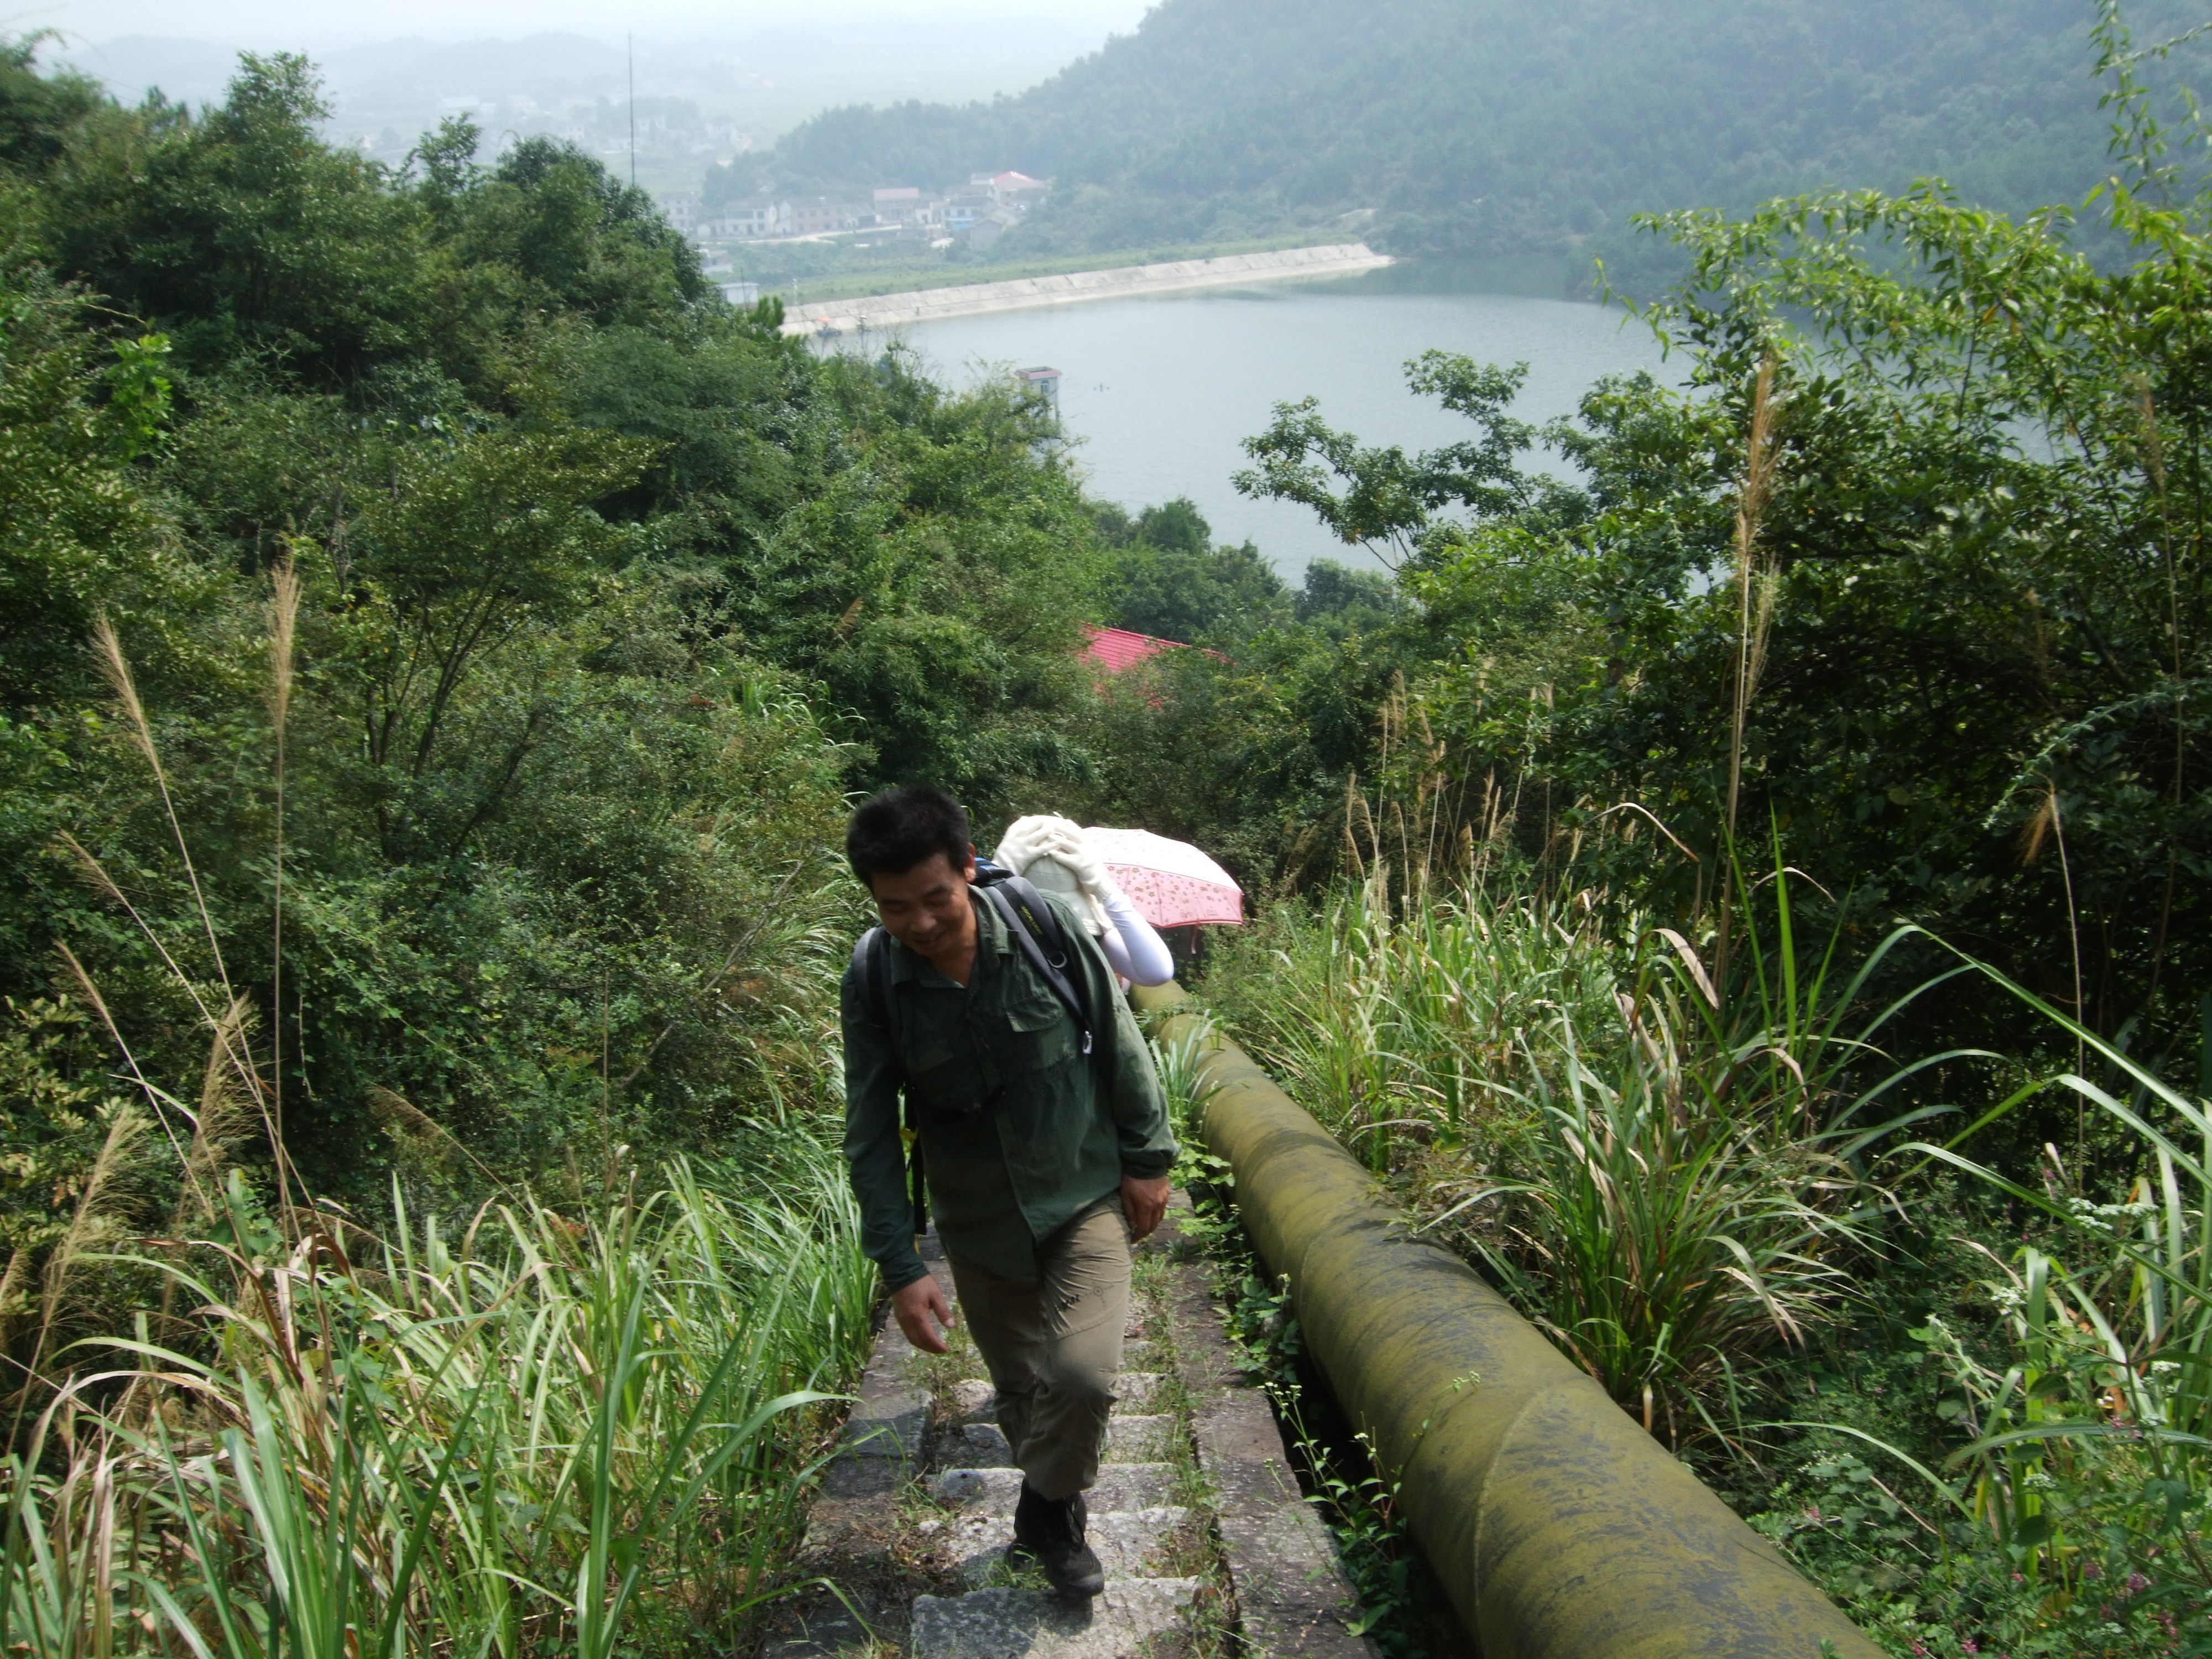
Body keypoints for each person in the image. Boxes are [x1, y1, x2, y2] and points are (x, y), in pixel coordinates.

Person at [840, 785, 1177, 1600]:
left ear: (968, 868)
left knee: (1085, 1376)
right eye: (895, 907)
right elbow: (872, 1130)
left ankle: (1038, 1508)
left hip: (1082, 1193)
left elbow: (1120, 1038)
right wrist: (899, 1264)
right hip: (977, 1220)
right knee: (1022, 1388)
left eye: (936, 898)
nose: (920, 923)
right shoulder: (875, 979)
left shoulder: (1041, 927)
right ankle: (1060, 1528)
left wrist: (1149, 1159)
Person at [992, 814, 1176, 987]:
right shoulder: (995, 939)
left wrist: (996, 880)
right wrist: (1104, 890)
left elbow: (1158, 973)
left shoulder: (1094, 941)